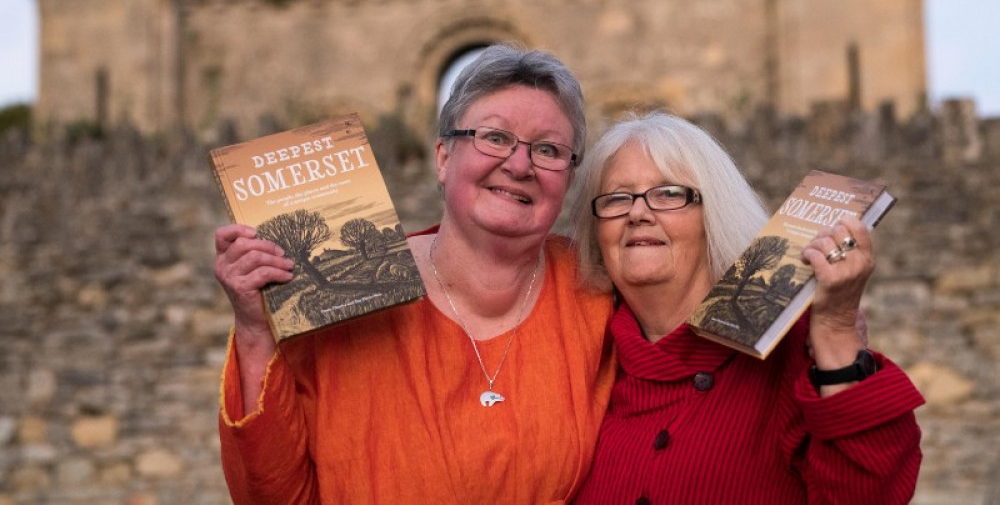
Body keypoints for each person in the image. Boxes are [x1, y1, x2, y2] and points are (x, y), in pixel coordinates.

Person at [213, 44, 616, 503]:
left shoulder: (598, 294)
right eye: (496, 138)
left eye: (548, 149)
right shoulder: (342, 308)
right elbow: (271, 494)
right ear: (443, 158)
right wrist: (253, 331)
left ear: (568, 176)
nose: (520, 165)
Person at [570, 112, 924, 504]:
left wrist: (837, 332)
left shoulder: (794, 353)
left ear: (714, 216)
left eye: (669, 194)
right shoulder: (585, 361)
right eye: (618, 198)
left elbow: (870, 495)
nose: (638, 213)